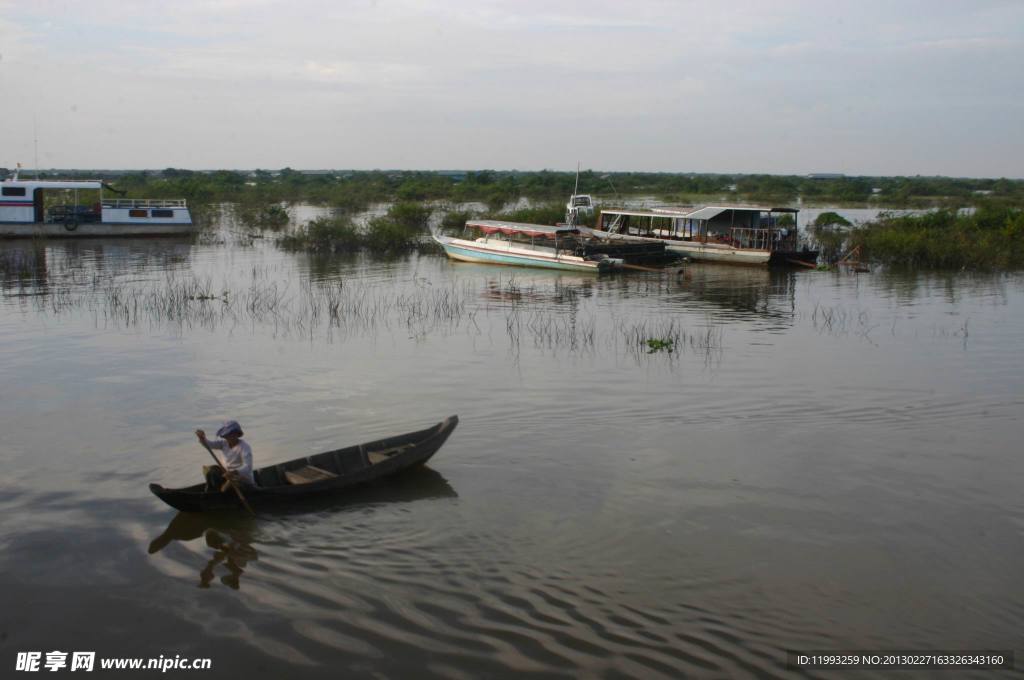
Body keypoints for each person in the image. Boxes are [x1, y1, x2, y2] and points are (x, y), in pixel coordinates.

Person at [195, 420, 256, 491]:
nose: (228, 438)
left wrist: (234, 472)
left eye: (231, 435)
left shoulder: (244, 447)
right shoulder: (223, 443)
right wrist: (202, 438)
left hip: (242, 478)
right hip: (227, 475)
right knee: (211, 471)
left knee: (227, 487)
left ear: (237, 434)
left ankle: (223, 492)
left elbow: (247, 467)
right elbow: (209, 445)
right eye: (226, 436)